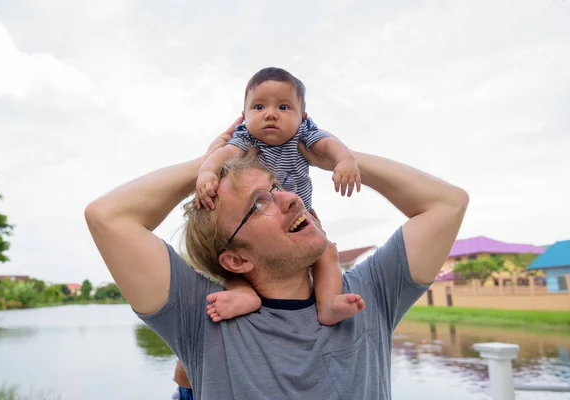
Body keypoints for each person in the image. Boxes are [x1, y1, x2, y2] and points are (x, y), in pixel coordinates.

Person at [85, 116, 469, 399]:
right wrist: (207, 166)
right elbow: (108, 217)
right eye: (259, 203)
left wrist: (337, 158)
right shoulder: (207, 318)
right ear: (235, 261)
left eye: (278, 185)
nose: (289, 197)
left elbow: (447, 204)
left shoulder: (365, 295)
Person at [196, 67, 363, 327]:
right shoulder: (246, 138)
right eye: (259, 107)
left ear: (303, 117)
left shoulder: (304, 133)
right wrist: (206, 171)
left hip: (301, 214)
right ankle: (243, 294)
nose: (271, 114)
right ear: (244, 116)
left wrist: (345, 159)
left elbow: (329, 144)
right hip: (266, 224)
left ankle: (328, 302)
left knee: (327, 252)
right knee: (232, 260)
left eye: (284, 107)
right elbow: (223, 153)